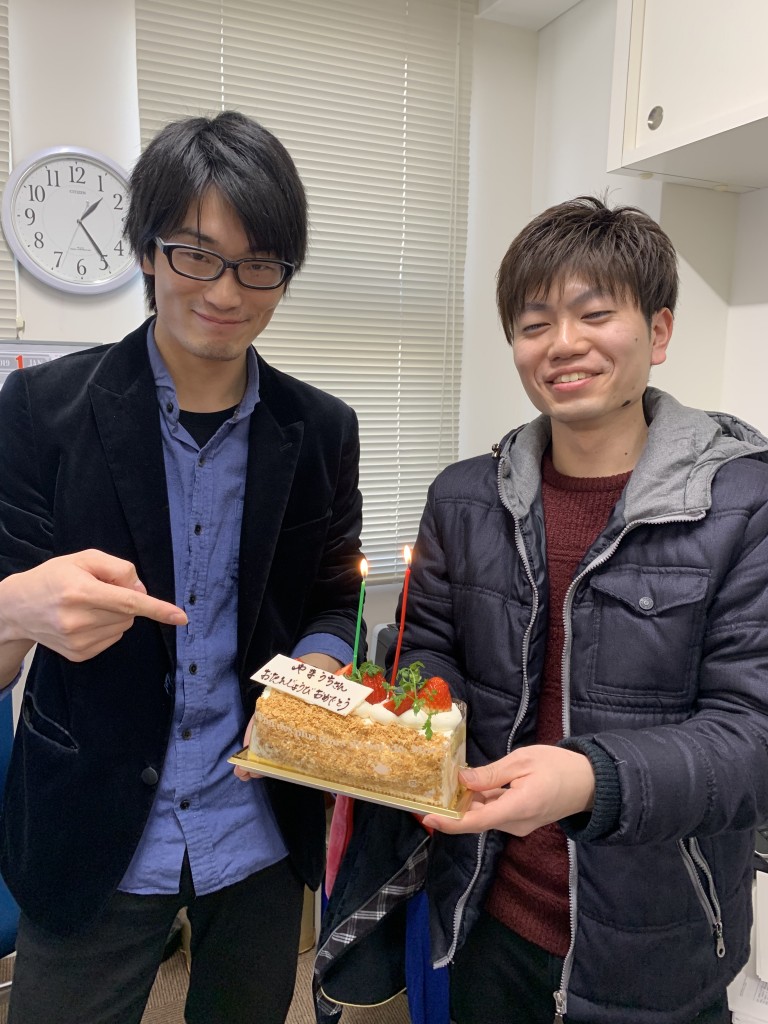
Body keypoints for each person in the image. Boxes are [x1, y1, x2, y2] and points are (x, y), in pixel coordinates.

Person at [0, 111, 364, 1024]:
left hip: (259, 824)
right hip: (93, 826)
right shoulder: (41, 410)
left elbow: (333, 597)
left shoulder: (323, 429)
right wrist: (15, 608)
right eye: (198, 255)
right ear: (148, 252)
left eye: (260, 265)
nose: (227, 291)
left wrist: (320, 664)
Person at [395, 196, 768, 1023]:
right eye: (534, 324)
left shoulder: (747, 505)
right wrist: (412, 724)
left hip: (660, 947)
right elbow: (428, 652)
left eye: (595, 315)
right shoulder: (463, 497)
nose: (562, 343)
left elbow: (753, 741)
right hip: (488, 912)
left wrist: (591, 779)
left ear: (659, 332)